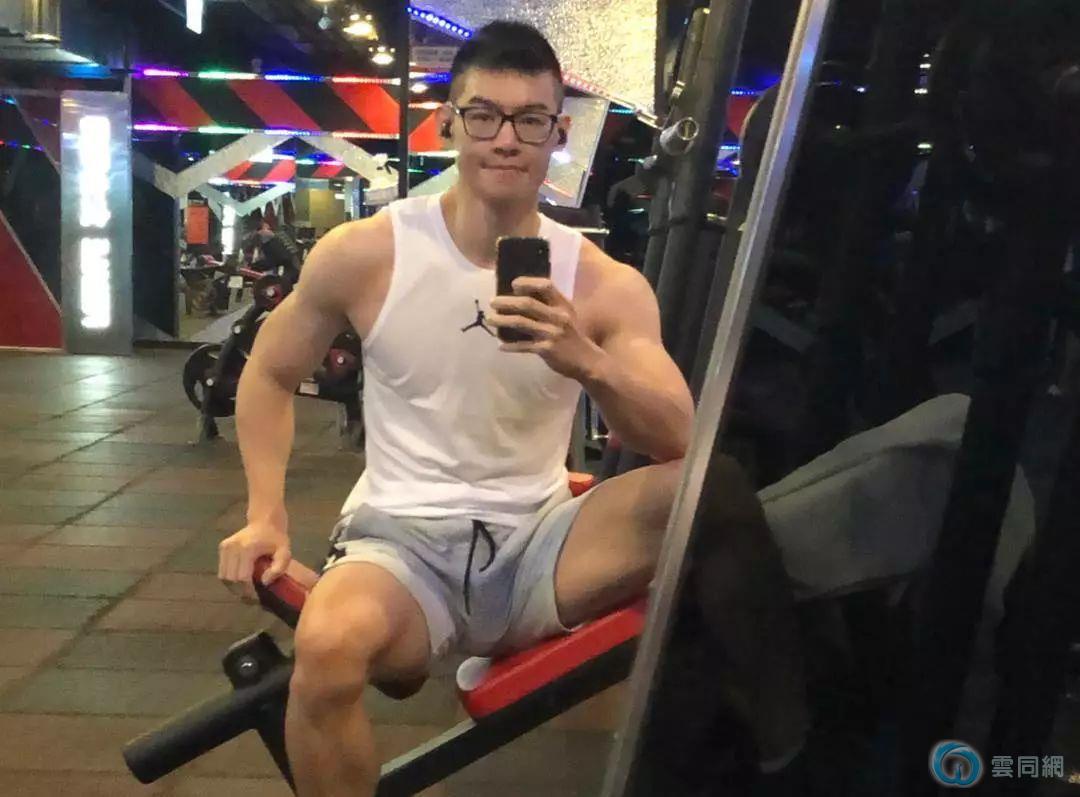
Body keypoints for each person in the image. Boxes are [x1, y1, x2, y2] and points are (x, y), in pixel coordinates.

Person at [217, 20, 806, 797]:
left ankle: (791, 757)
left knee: (711, 490)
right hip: (402, 548)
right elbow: (267, 373)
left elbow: (678, 437)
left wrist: (586, 359)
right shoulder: (366, 253)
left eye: (530, 119)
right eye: (485, 115)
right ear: (448, 123)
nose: (506, 138)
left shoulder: (602, 282)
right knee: (327, 651)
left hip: (541, 546)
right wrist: (265, 515)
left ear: (557, 134)